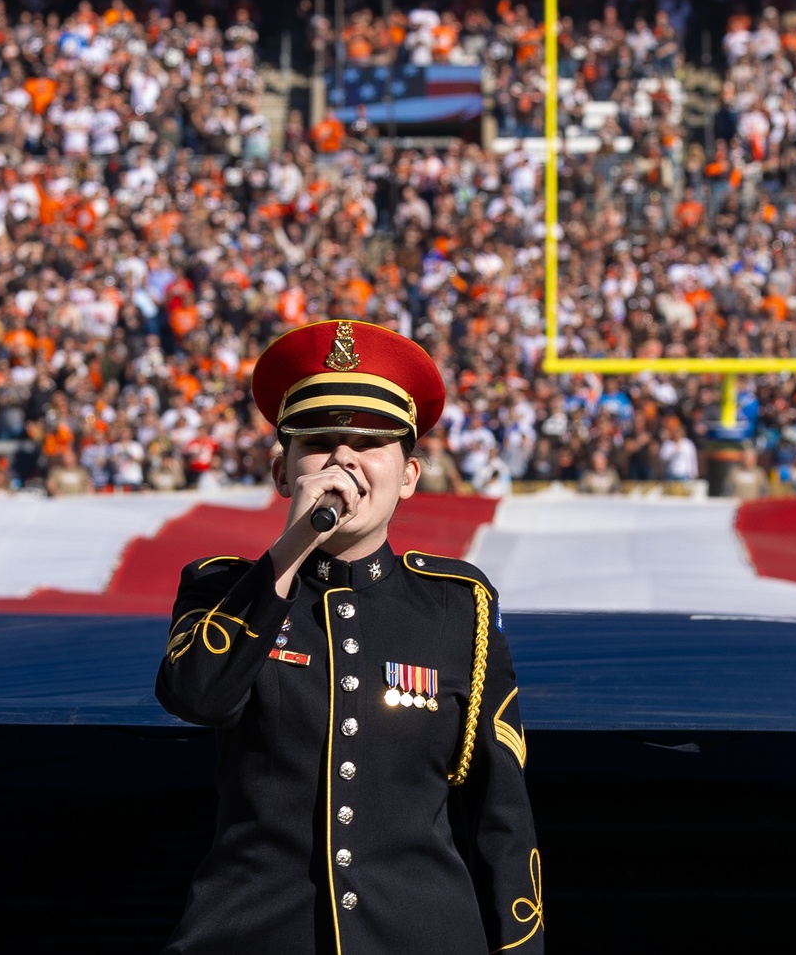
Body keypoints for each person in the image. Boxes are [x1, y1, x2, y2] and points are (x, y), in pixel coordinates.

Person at [156, 319, 543, 955]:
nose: (343, 459)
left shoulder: (457, 607)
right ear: (283, 473)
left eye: (368, 442)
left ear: (409, 474)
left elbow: (500, 814)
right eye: (320, 442)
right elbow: (198, 694)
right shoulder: (222, 590)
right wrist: (289, 549)